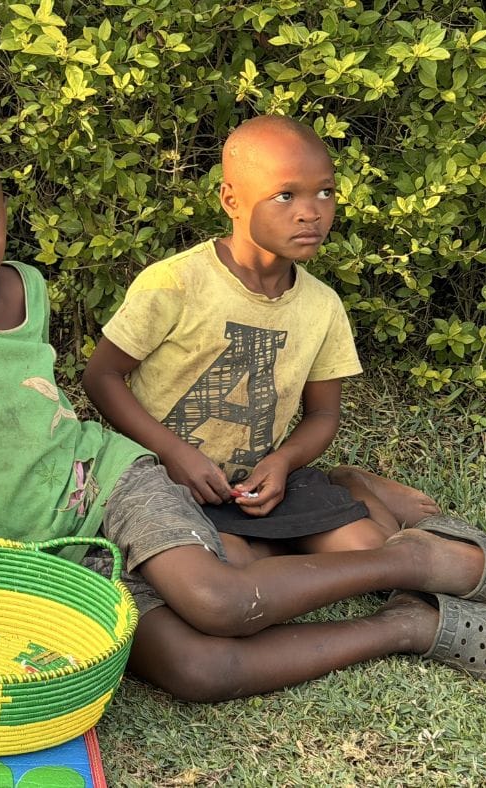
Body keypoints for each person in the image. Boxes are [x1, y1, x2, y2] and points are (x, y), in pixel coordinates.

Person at [0, 135, 486, 706]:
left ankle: (416, 556)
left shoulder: (29, 286)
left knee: (219, 602)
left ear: (7, 214)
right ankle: (404, 624)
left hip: (107, 480)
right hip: (45, 549)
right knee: (199, 672)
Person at [81, 114, 421, 558]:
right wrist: (172, 452)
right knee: (235, 567)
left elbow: (322, 415)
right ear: (231, 200)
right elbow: (101, 376)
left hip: (264, 482)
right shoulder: (176, 282)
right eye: (285, 195)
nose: (310, 212)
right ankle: (338, 495)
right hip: (167, 478)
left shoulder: (322, 306)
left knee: (367, 548)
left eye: (326, 192)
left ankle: (349, 484)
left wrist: (281, 462)